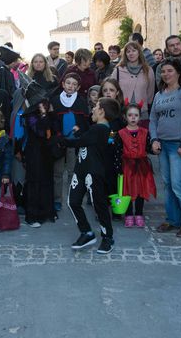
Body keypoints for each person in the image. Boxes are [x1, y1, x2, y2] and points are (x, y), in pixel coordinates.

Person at [150, 58, 181, 238]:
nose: (166, 74)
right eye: (163, 71)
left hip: (179, 144)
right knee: (168, 185)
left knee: (179, 185)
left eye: (170, 70)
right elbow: (154, 119)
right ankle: (172, 220)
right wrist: (154, 139)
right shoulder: (159, 94)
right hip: (162, 144)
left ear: (178, 72)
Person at [65, 97, 121, 254]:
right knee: (75, 202)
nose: (93, 110)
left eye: (96, 107)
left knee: (96, 204)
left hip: (92, 173)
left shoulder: (100, 130)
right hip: (83, 170)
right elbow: (94, 141)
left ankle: (105, 237)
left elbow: (79, 142)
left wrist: (60, 141)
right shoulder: (105, 130)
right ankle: (89, 233)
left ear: (102, 111)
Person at [51, 72, 89, 211]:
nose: (70, 86)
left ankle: (73, 198)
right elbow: (52, 121)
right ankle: (57, 200)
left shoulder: (81, 101)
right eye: (68, 83)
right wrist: (58, 135)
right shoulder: (55, 100)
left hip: (75, 143)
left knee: (73, 172)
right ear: (63, 84)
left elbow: (86, 122)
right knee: (58, 172)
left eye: (74, 84)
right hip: (60, 142)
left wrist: (80, 129)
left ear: (78, 87)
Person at [114, 103, 156, 228]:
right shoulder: (120, 133)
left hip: (141, 166)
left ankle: (139, 214)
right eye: (130, 115)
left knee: (140, 191)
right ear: (125, 117)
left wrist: (155, 149)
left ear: (140, 117)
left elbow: (148, 147)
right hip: (126, 166)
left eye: (136, 115)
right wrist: (118, 168)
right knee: (126, 191)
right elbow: (117, 151)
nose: (133, 118)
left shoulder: (145, 132)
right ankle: (128, 215)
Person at [21, 99, 56, 227]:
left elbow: (54, 128)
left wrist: (50, 114)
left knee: (47, 181)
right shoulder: (30, 115)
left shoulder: (51, 113)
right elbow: (40, 131)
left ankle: (47, 212)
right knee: (34, 182)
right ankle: (32, 216)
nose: (45, 105)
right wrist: (43, 115)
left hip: (46, 153)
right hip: (34, 153)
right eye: (42, 103)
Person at [113, 42, 154, 128]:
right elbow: (113, 88)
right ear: (125, 54)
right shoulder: (118, 70)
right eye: (128, 51)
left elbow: (150, 92)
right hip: (123, 113)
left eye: (134, 50)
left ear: (139, 52)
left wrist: (146, 104)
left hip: (142, 113)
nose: (131, 53)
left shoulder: (148, 70)